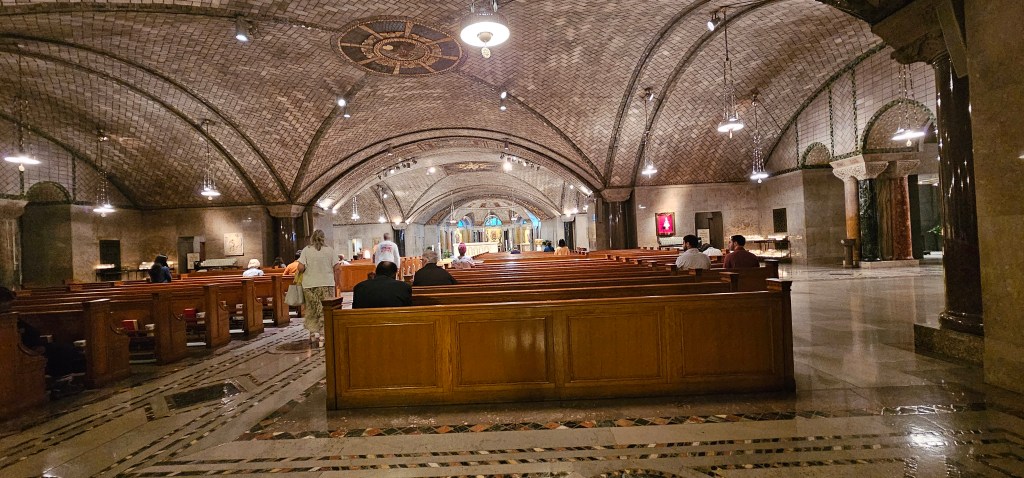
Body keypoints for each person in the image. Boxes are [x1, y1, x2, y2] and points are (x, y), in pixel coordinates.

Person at [297, 229, 337, 346]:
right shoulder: (330, 250)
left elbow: (300, 267)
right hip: (327, 283)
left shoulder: (306, 250)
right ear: (323, 238)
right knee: (324, 309)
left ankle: (313, 334)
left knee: (311, 309)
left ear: (312, 238)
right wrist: (337, 282)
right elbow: (337, 267)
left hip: (310, 284)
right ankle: (324, 334)